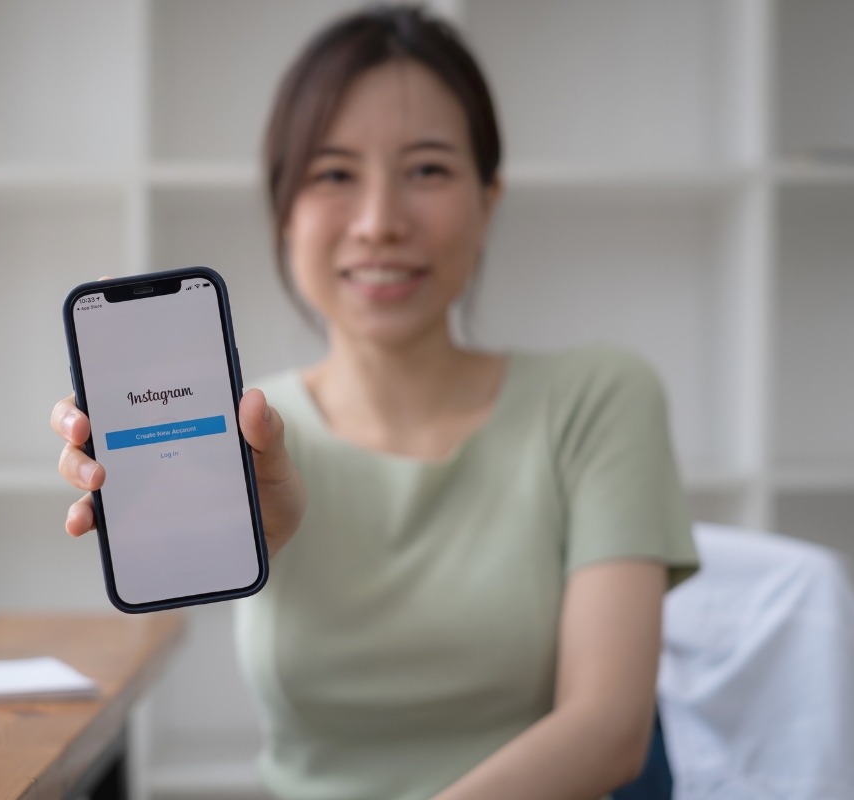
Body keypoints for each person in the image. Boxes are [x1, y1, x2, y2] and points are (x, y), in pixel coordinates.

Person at [51, 7, 698, 799]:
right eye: (333, 175)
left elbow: (608, 732)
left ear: (489, 199)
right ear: (284, 212)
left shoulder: (598, 399)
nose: (380, 223)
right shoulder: (250, 435)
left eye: (427, 169)